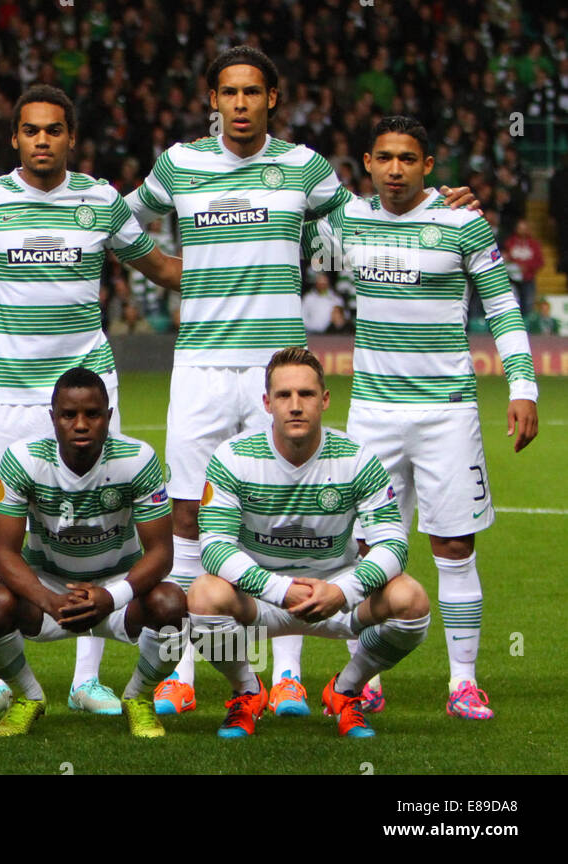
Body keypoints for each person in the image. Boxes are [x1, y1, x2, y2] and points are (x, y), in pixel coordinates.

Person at [125, 47, 473, 718]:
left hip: (277, 368)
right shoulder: (179, 164)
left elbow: (365, 219)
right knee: (189, 516)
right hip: (198, 366)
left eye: (253, 91)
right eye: (229, 91)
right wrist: (169, 272)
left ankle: (286, 677)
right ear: (213, 99)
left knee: (285, 517)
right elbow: (122, 220)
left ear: (273, 97)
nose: (241, 102)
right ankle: (188, 672)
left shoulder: (306, 169)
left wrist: (438, 205)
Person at [0, 84, 181, 717]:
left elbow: (158, 267)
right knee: (7, 530)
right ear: (15, 137)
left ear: (70, 138)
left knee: (101, 525)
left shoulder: (99, 200)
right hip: (9, 390)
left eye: (53, 130)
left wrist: (248, 256)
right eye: (30, 130)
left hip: (87, 391)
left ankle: (87, 677)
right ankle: (4, 677)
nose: (42, 139)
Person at [303, 116, 538, 719]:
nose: (396, 169)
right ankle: (366, 677)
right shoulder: (348, 222)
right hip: (374, 412)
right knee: (363, 546)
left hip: (447, 413)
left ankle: (463, 681)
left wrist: (524, 386)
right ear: (368, 162)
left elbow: (504, 308)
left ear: (428, 166)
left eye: (408, 158)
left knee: (454, 544)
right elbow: (280, 221)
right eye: (384, 158)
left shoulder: (462, 223)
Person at [191, 347, 430, 738]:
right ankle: (246, 692)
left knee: (412, 601)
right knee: (203, 596)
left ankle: (346, 689)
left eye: (306, 394)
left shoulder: (357, 458)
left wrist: (342, 590)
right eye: (284, 396)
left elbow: (393, 543)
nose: (295, 405)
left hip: (336, 595)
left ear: (325, 400)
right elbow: (214, 546)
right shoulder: (232, 457)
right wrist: (280, 590)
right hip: (263, 597)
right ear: (267, 403)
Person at [0, 368, 184, 737]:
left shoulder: (137, 459)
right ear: (52, 419)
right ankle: (28, 696)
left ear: (109, 416)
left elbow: (162, 554)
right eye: (69, 415)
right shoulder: (23, 459)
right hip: (49, 589)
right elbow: (3, 552)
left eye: (93, 414)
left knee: (172, 603)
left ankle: (138, 697)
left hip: (117, 590)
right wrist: (50, 601)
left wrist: (112, 595)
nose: (81, 424)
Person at [503, 218, 544, 316]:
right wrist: (515, 266)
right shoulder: (510, 242)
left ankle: (527, 327)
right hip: (511, 279)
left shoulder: (534, 244)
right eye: (520, 228)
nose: (523, 230)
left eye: (525, 228)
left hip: (528, 279)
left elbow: (540, 261)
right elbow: (505, 257)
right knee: (511, 304)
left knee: (528, 305)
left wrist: (527, 267)